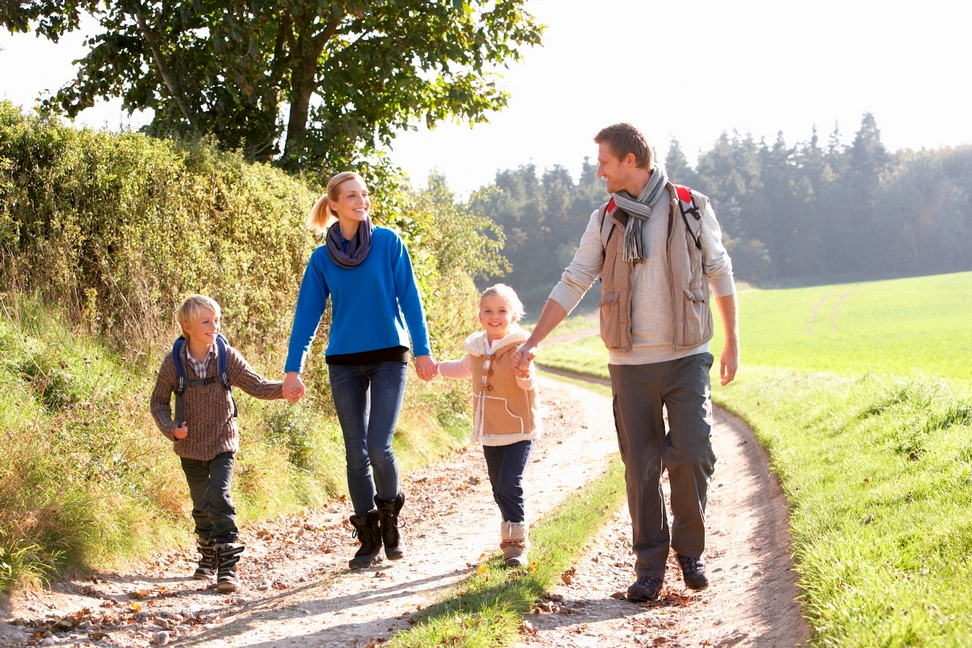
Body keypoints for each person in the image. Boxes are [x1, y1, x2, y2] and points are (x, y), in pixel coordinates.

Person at [513, 123, 740, 602]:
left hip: (686, 356)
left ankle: (690, 553)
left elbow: (719, 269)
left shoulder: (691, 206)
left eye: (604, 162)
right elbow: (575, 280)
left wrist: (732, 339)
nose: (598, 172)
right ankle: (650, 568)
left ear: (630, 161)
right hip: (629, 362)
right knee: (640, 466)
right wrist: (533, 340)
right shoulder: (604, 219)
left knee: (693, 453)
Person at [282, 171, 436, 570]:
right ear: (334, 204)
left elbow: (411, 300)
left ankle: (390, 523)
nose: (361, 201)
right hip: (344, 362)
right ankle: (367, 538)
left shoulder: (388, 243)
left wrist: (423, 350)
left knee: (379, 445)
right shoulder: (321, 259)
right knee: (355, 451)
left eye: (364, 194)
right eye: (352, 195)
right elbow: (307, 316)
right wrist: (292, 368)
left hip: (389, 354)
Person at [151, 294, 285, 593]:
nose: (215, 326)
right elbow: (158, 402)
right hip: (189, 446)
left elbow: (258, 385)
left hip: (223, 439)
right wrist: (171, 429)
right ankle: (208, 556)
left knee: (219, 497)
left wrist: (285, 389)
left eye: (217, 320)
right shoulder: (174, 363)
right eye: (206, 321)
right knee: (201, 505)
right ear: (187, 326)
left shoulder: (227, 357)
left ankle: (228, 565)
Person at [434, 284, 540, 567]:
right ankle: (509, 531)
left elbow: (529, 383)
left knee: (509, 482)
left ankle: (516, 545)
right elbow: (461, 368)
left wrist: (524, 372)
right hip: (490, 431)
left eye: (502, 311)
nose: (495, 316)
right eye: (489, 311)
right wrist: (436, 368)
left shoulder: (520, 348)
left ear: (513, 316)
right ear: (480, 316)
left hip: (519, 429)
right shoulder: (477, 349)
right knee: (497, 487)